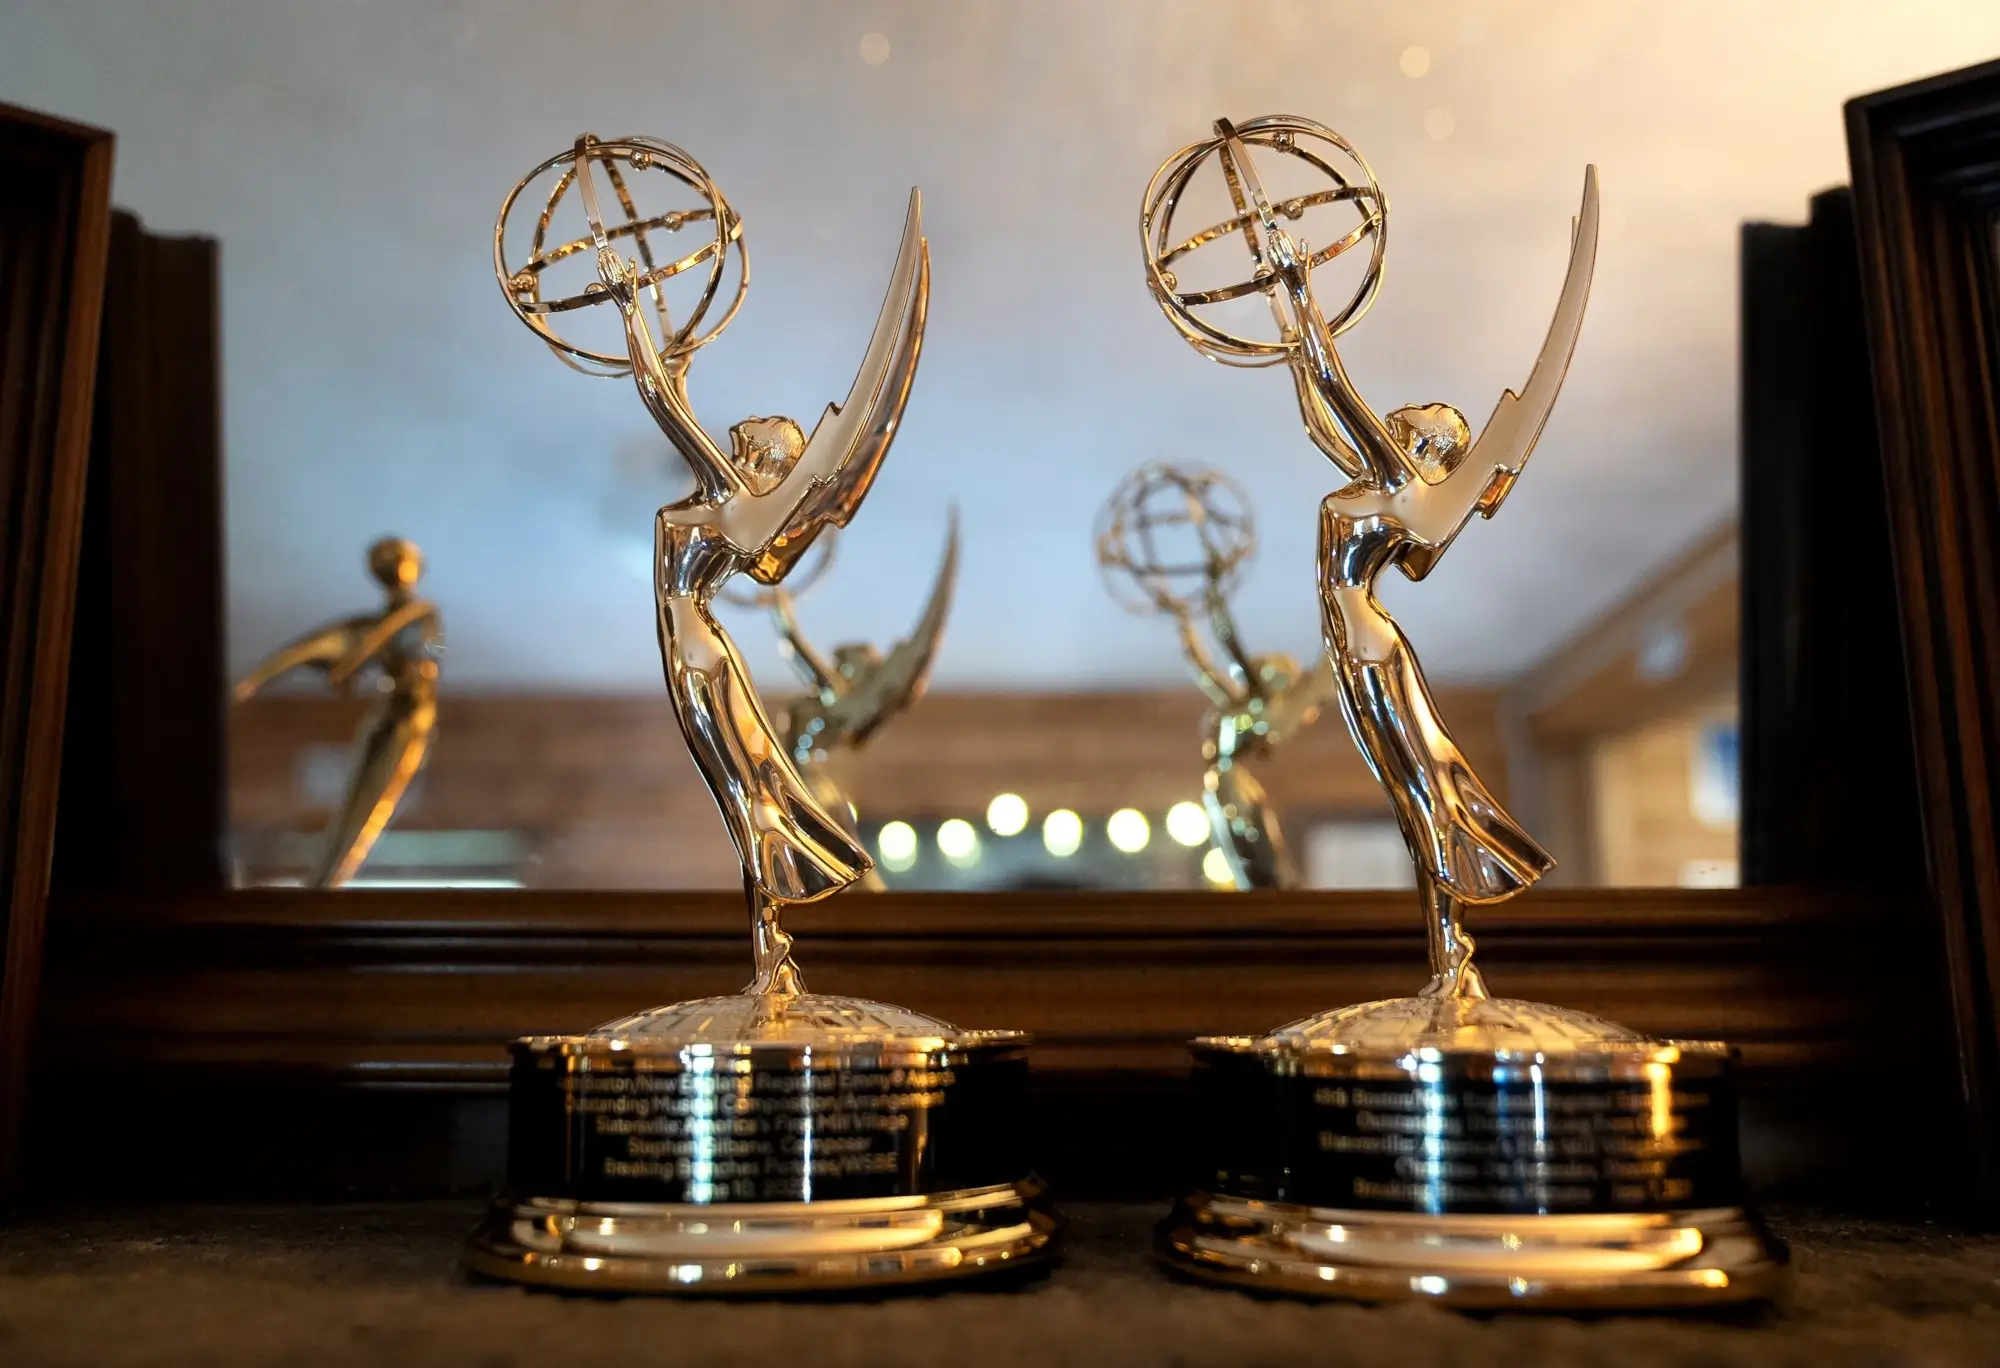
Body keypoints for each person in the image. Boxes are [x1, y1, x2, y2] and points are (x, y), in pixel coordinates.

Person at [233, 538, 442, 889]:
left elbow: (435, 650)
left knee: (373, 796)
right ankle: (325, 881)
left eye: (398, 559)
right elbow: (316, 650)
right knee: (357, 793)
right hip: (388, 713)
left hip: (411, 714)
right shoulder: (371, 627)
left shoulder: (422, 617)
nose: (392, 567)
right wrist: (255, 680)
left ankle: (329, 880)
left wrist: (422, 658)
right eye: (384, 560)